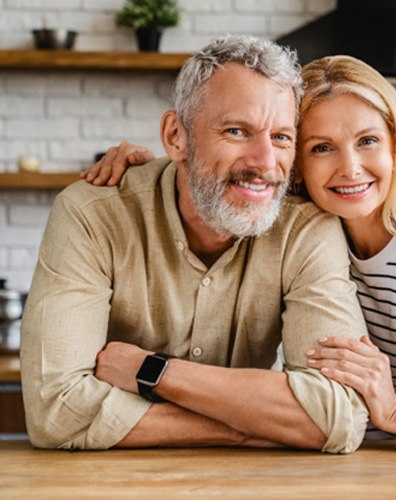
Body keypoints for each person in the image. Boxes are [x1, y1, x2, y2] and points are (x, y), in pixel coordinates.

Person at [90, 55, 396, 455]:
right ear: (296, 163)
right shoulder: (314, 232)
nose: (350, 168)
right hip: (378, 462)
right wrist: (152, 170)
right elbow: (230, 174)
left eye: (367, 141)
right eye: (322, 147)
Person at [20, 36, 371, 453]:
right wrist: (248, 427)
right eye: (237, 131)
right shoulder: (92, 214)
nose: (264, 162)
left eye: (281, 137)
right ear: (176, 136)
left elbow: (339, 417)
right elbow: (54, 412)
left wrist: (153, 371)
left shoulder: (306, 229)